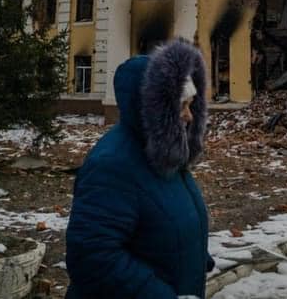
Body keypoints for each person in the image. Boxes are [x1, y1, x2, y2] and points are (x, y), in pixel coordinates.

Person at [65, 38, 214, 299]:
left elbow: (166, 217)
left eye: (191, 105)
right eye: (181, 106)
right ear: (153, 108)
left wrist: (196, 257)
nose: (189, 116)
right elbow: (93, 258)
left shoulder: (163, 154)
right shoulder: (112, 166)